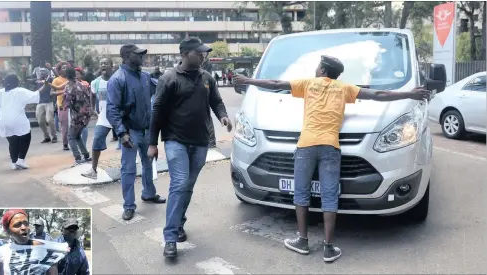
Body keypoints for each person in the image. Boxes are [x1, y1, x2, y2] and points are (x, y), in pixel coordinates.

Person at [233, 55, 431, 262]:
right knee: (329, 197)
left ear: (322, 71)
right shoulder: (344, 88)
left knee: (301, 193)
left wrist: (247, 81)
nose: (316, 70)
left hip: (306, 147)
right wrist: (410, 93)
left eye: (318, 67)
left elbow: (274, 84)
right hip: (330, 148)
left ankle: (302, 241)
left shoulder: (308, 84)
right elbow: (378, 94)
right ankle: (329, 248)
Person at [148, 37, 232, 258]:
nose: (204, 55)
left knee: (187, 186)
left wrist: (223, 116)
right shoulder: (169, 79)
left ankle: (178, 223)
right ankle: (170, 237)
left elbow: (216, 101)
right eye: (199, 52)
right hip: (176, 141)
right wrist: (152, 143)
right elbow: (157, 112)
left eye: (204, 52)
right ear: (185, 54)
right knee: (179, 184)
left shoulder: (207, 78)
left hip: (200, 141)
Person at [107, 44, 166, 221]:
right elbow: (112, 109)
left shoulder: (145, 76)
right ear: (126, 56)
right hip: (130, 132)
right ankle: (129, 205)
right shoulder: (117, 79)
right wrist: (121, 133)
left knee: (149, 164)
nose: (142, 57)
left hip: (147, 130)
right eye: (138, 54)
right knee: (128, 169)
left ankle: (148, 193)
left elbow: (161, 88)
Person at [0, 74, 50, 170]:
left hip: (3, 120)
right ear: (16, 82)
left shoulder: (1, 92)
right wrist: (45, 85)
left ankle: (14, 163)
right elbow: (36, 94)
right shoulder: (20, 91)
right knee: (26, 137)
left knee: (12, 142)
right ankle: (20, 160)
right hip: (18, 119)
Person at [0, 209, 68, 275]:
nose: (24, 227)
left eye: (26, 223)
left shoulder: (45, 249)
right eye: (17, 225)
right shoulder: (2, 251)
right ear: (8, 231)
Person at [81, 58, 115, 179]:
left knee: (130, 141)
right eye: (101, 64)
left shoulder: (117, 80)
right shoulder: (96, 82)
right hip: (104, 118)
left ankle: (134, 162)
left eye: (106, 63)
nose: (103, 65)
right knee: (96, 141)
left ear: (112, 65)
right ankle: (93, 170)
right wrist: (92, 108)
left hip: (119, 117)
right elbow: (92, 94)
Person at [64, 67, 93, 167]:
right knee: (77, 136)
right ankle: (86, 156)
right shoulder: (81, 84)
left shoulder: (69, 86)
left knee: (71, 137)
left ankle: (78, 158)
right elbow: (88, 96)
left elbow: (67, 101)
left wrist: (63, 107)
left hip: (78, 115)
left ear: (66, 76)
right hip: (86, 114)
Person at [52, 62, 72, 151]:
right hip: (62, 105)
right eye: (63, 68)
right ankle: (65, 144)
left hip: (73, 105)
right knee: (65, 126)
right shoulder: (56, 80)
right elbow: (52, 92)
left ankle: (74, 142)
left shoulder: (71, 79)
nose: (65, 69)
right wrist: (63, 92)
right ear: (59, 70)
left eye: (67, 67)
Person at [35, 68, 58, 143]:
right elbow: (25, 81)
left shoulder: (50, 79)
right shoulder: (37, 80)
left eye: (43, 71)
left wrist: (51, 68)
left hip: (49, 102)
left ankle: (54, 136)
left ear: (47, 73)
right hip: (40, 103)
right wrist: (24, 71)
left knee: (49, 120)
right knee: (40, 121)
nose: (41, 73)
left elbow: (57, 77)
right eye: (40, 72)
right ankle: (46, 136)